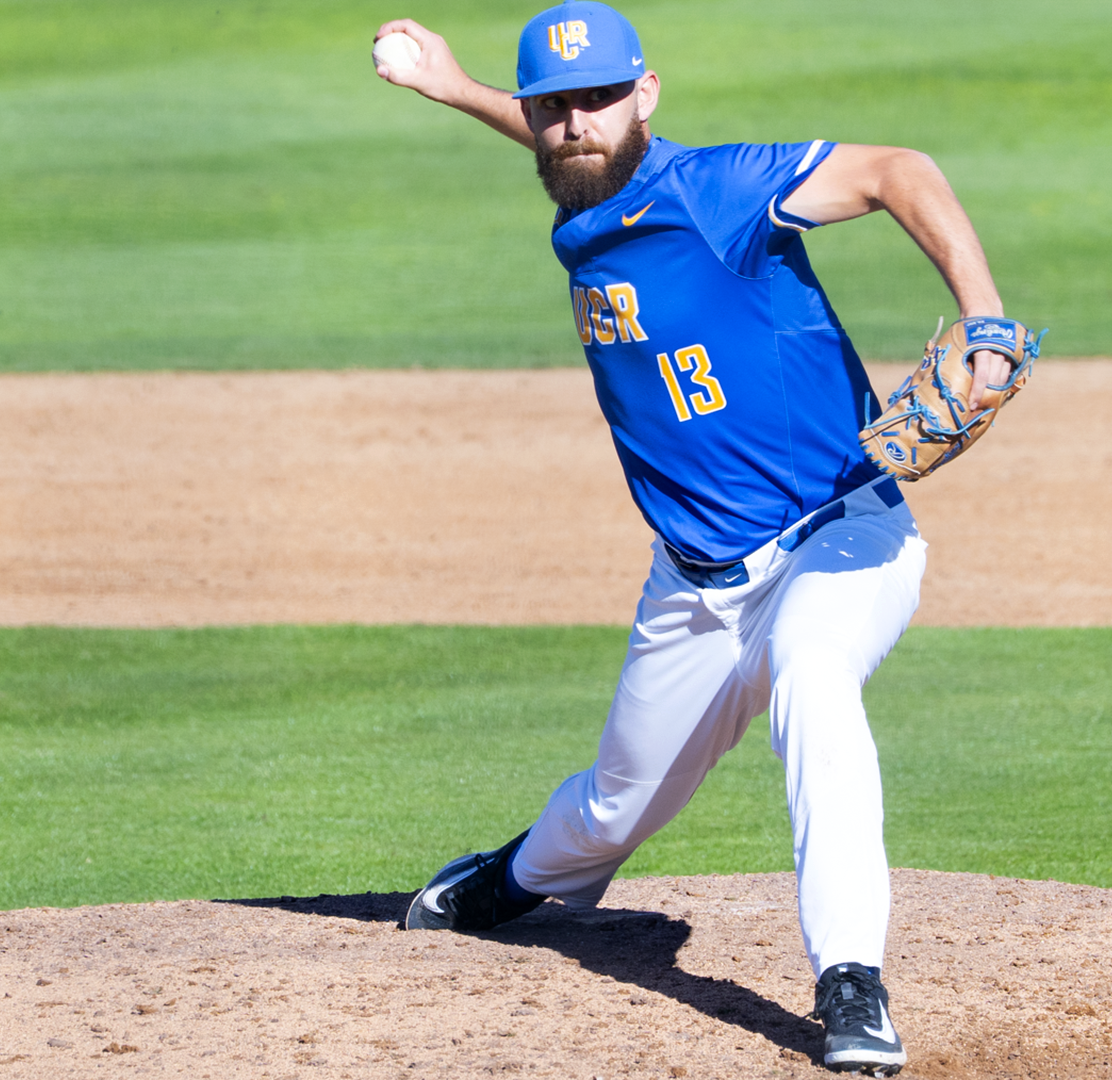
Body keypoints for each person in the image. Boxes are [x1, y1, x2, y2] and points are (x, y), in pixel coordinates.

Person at [374, 4, 1015, 1074]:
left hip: (838, 537)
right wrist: (453, 86)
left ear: (648, 95)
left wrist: (984, 319)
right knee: (610, 810)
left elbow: (900, 170)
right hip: (693, 585)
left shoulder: (720, 190)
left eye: (601, 98)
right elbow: (578, 151)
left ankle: (850, 979)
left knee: (810, 673)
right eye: (554, 106)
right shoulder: (585, 185)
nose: (577, 122)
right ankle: (520, 878)